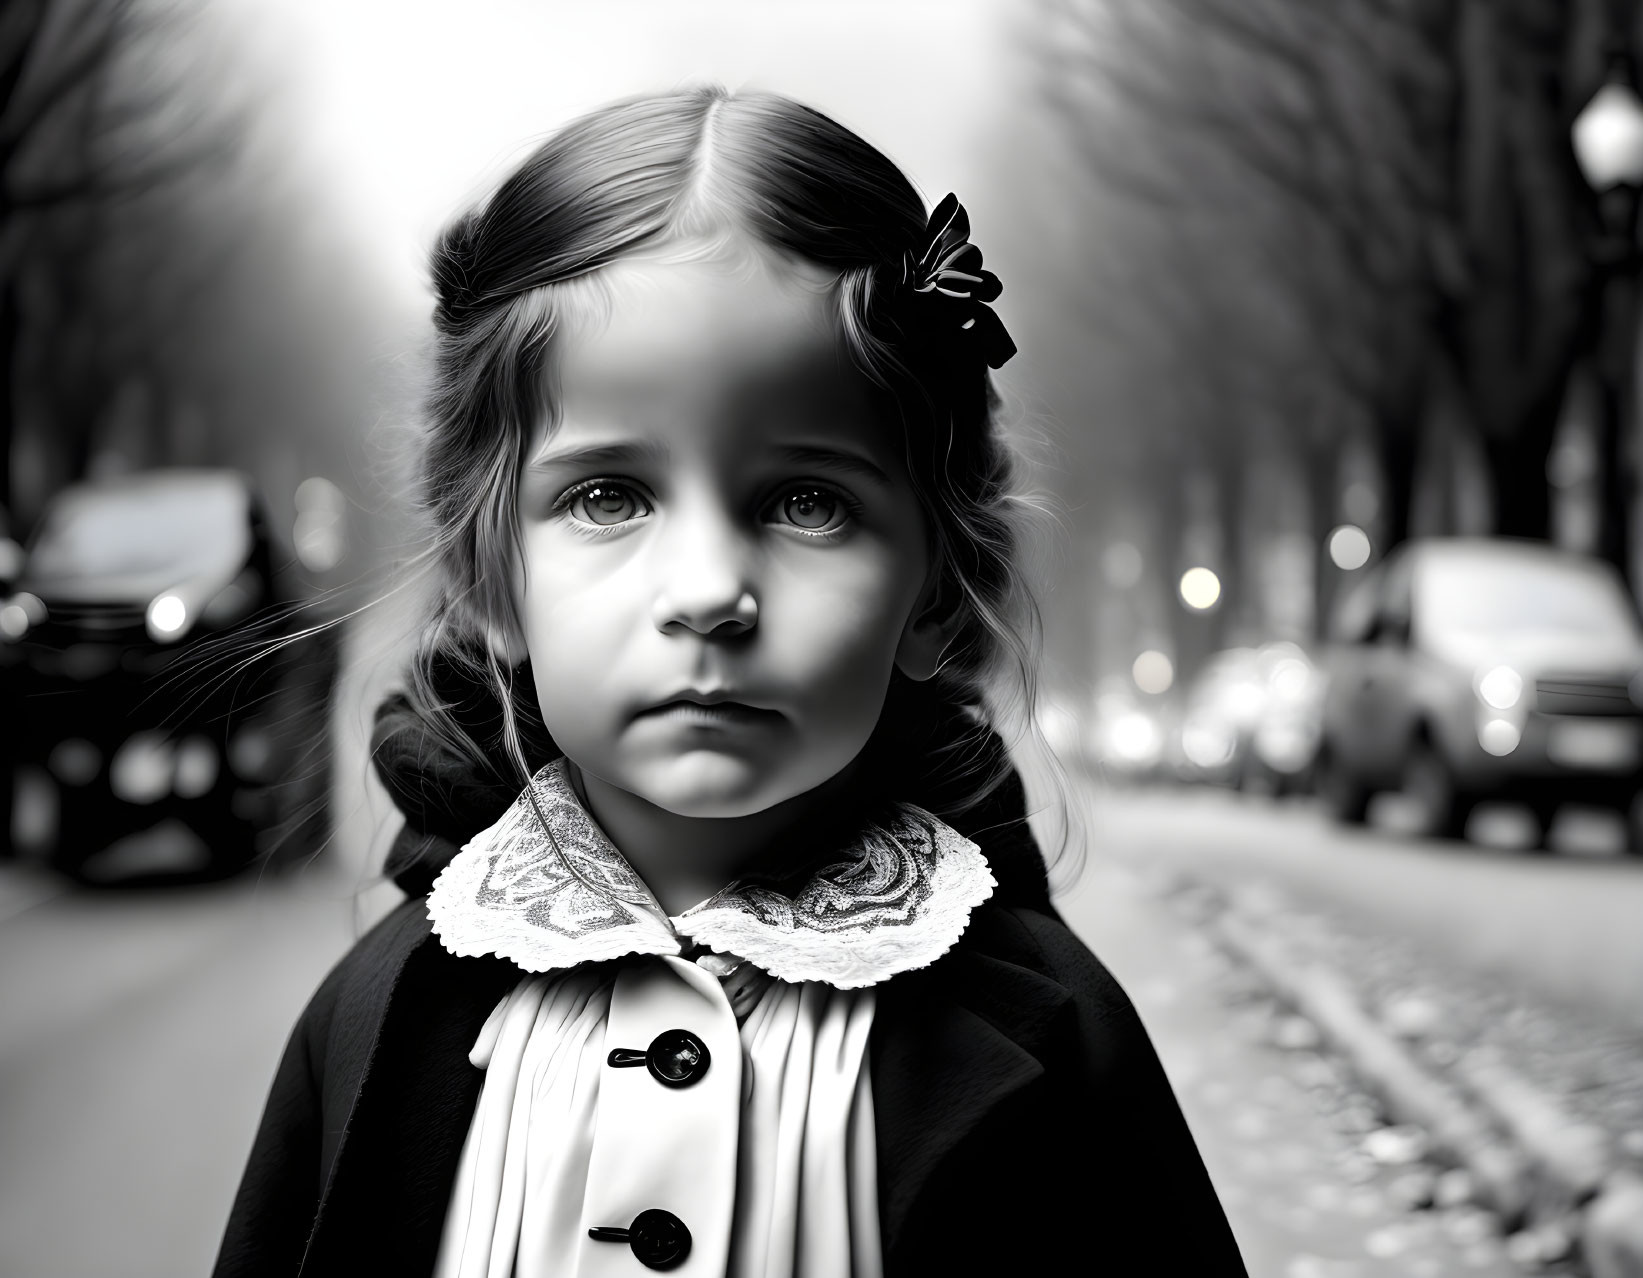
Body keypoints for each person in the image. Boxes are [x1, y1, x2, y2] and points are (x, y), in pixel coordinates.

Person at [213, 86, 1246, 1277]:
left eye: (806, 502)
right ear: (491, 578)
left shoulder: (1057, 1039)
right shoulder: (364, 1025)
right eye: (607, 496)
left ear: (933, 587)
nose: (707, 590)